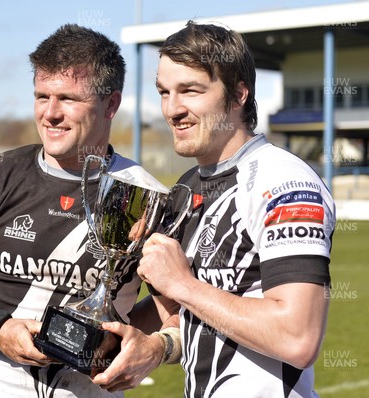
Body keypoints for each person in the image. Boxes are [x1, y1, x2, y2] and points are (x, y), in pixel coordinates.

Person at [0, 24, 176, 398]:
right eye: (41, 96)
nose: (50, 113)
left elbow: (177, 310)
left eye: (68, 98)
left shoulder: (145, 196)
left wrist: (143, 346)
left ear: (111, 104)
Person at [94, 22, 336, 397]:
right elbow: (176, 308)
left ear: (239, 94)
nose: (172, 109)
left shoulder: (285, 183)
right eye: (164, 92)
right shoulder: (186, 188)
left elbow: (297, 337)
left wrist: (183, 284)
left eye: (190, 90)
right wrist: (95, 329)